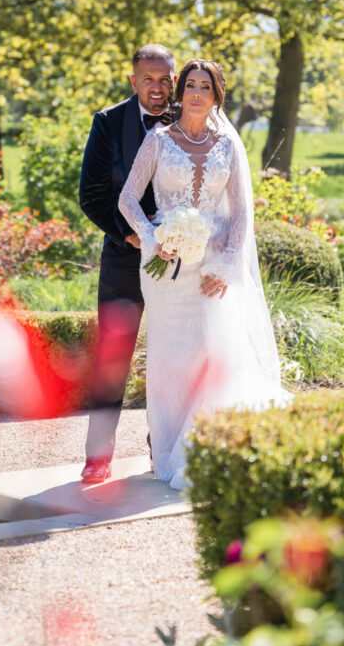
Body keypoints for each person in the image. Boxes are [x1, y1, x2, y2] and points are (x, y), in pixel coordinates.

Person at [118, 57, 290, 490]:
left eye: (205, 87)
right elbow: (127, 199)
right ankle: (167, 453)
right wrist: (152, 238)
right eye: (190, 85)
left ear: (216, 96)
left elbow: (242, 214)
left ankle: (206, 451)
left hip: (212, 270)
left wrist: (230, 264)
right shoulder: (158, 140)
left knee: (213, 358)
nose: (196, 93)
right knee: (170, 362)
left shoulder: (228, 146)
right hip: (165, 271)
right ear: (181, 93)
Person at [79, 43, 176, 484]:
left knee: (173, 356)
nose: (158, 88)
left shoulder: (190, 116)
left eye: (165, 79)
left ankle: (168, 448)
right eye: (148, 79)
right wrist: (131, 235)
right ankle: (98, 456)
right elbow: (92, 195)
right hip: (123, 261)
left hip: (179, 264)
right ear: (132, 80)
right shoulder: (108, 122)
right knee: (113, 359)